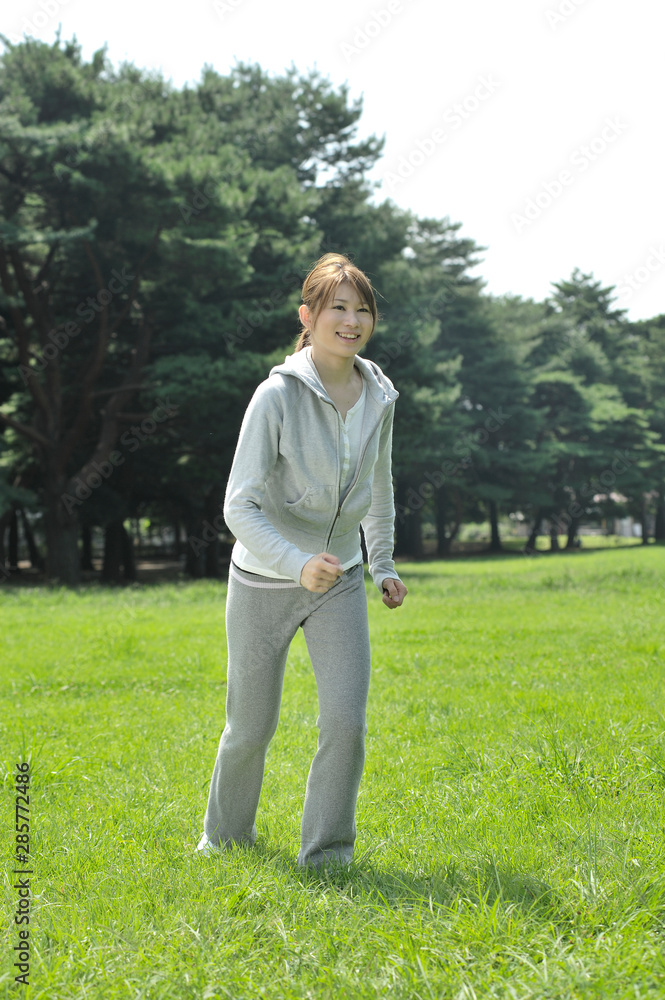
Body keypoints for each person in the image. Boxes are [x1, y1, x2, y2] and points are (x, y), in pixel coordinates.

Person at [196, 252, 408, 869]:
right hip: (263, 580)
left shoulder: (379, 396)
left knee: (345, 721)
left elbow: (379, 487)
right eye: (337, 307)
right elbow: (238, 505)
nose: (352, 320)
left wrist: (382, 564)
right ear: (307, 317)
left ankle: (328, 855)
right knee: (250, 726)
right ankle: (224, 841)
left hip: (340, 581)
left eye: (362, 309)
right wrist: (295, 562)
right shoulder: (276, 396)